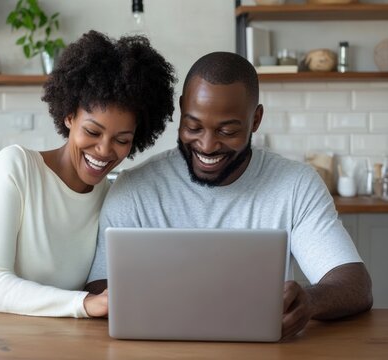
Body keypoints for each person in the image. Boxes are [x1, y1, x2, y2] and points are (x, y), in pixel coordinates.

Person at [85, 51, 373, 338]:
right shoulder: (134, 189)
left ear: (256, 120)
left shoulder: (296, 185)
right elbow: (99, 287)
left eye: (227, 131)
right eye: (193, 126)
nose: (208, 146)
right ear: (183, 108)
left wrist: (309, 301)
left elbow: (355, 285)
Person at [0, 30, 176, 317]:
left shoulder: (111, 199)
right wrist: (82, 303)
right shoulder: (17, 167)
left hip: (38, 340)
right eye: (92, 131)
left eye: (121, 140)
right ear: (69, 116)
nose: (104, 151)